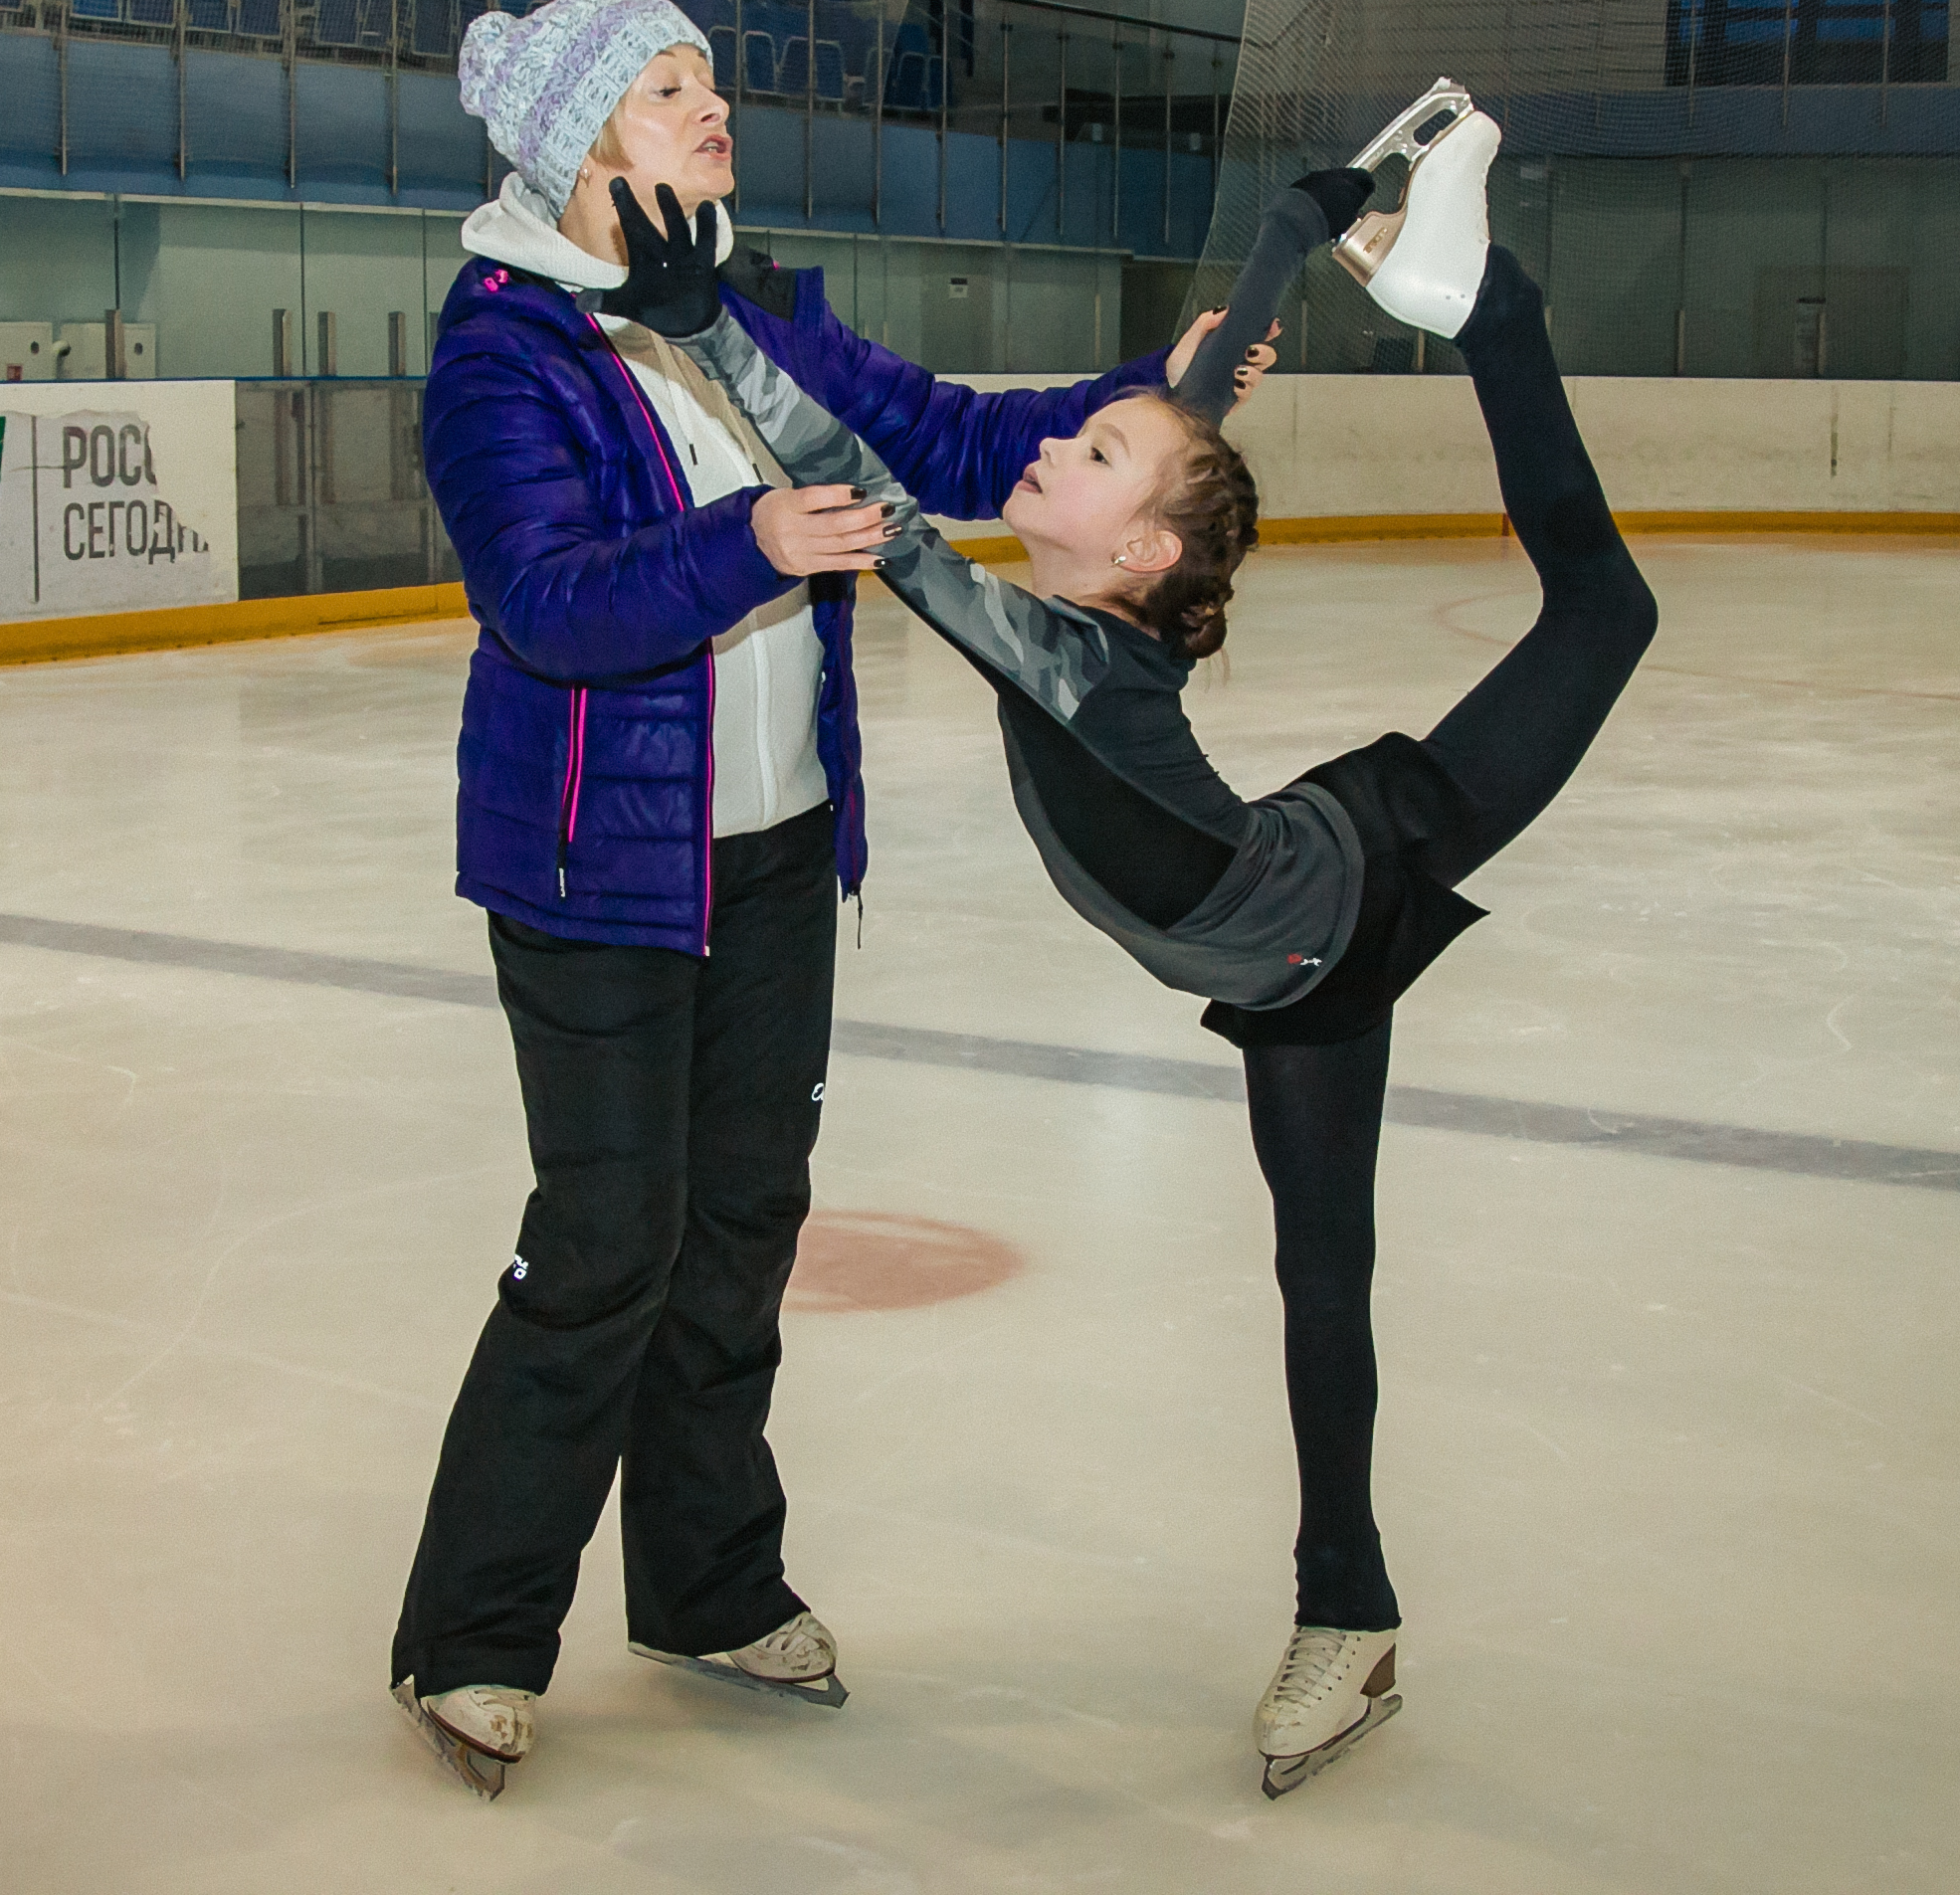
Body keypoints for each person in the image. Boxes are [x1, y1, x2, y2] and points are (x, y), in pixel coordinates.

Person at [611, 87, 1657, 1799]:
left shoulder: (1063, 651)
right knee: (1320, 1275)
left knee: (1607, 605)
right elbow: (1184, 405)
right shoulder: (1094, 617)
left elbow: (861, 477)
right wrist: (1282, 235)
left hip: (1342, 897)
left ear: (1140, 547)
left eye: (1088, 457)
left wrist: (706, 323)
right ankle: (1354, 1611)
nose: (1058, 443)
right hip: (1293, 928)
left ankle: (1497, 305)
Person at [391, 0, 1271, 1800]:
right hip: (594, 866)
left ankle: (708, 1586)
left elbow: (947, 435)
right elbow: (546, 603)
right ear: (576, 144)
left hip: (777, 841)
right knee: (606, 1243)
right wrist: (749, 540)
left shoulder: (751, 308)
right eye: (666, 86)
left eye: (712, 76)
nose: (714, 107)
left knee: (740, 1233)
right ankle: (471, 1632)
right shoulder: (505, 351)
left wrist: (1152, 399)